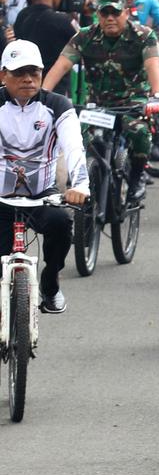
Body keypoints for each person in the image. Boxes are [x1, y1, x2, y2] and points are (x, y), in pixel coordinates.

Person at [42, 0, 159, 206]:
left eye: (115, 13)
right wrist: (42, 97)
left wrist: (156, 97)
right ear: (98, 14)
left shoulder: (143, 35)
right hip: (97, 105)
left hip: (132, 103)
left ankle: (136, 179)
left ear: (125, 13)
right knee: (80, 141)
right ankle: (86, 187)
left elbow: (153, 66)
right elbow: (61, 66)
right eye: (104, 13)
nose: (109, 18)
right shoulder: (85, 36)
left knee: (140, 133)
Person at [0, 40, 89, 314]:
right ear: (3, 75)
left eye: (34, 72)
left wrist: (81, 184)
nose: (27, 79)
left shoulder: (57, 105)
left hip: (42, 195)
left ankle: (50, 284)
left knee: (62, 223)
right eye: (19, 73)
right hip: (1, 198)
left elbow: (74, 146)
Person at [12, 0, 77, 94]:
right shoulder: (61, 20)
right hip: (55, 91)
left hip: (25, 85)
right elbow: (83, 42)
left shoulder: (22, 16)